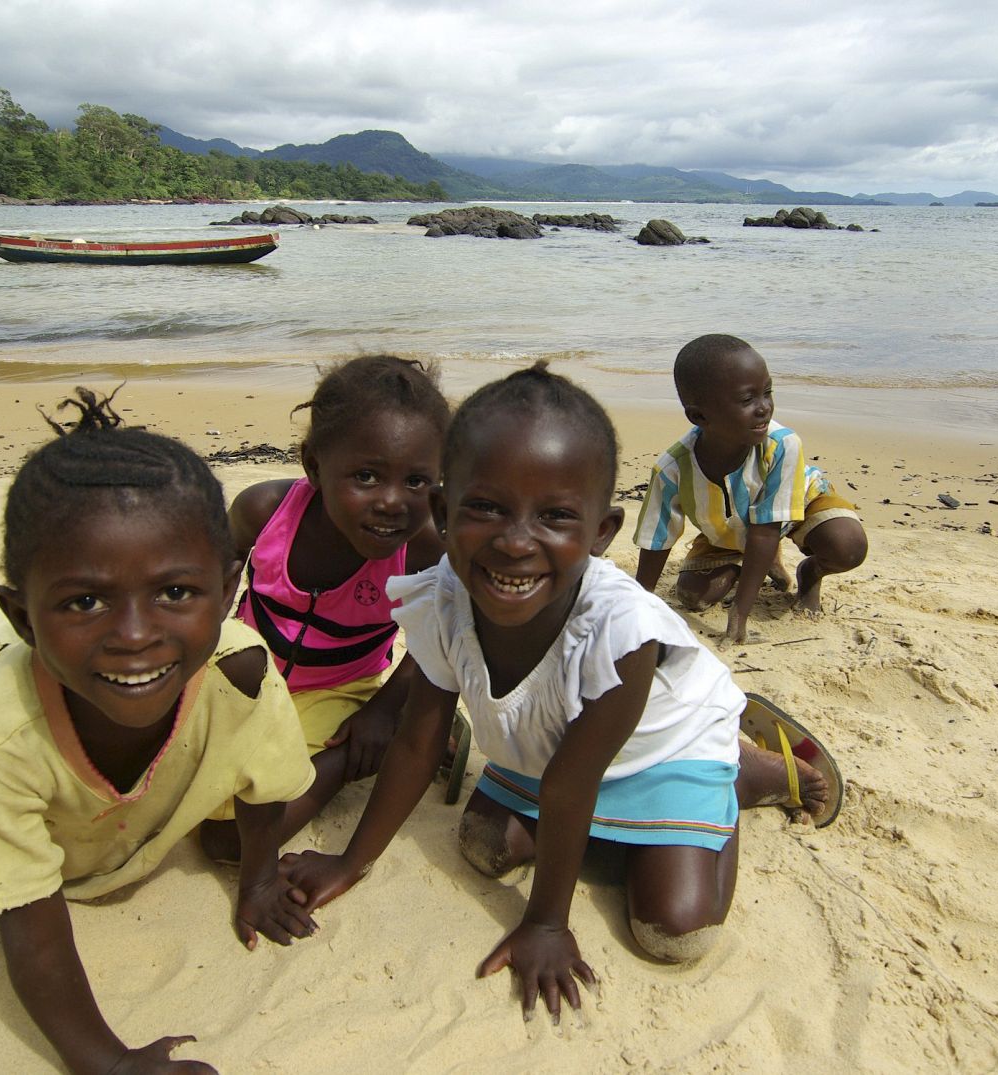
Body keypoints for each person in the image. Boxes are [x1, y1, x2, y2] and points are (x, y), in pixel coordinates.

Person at [283, 364, 842, 1022]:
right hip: (551, 755)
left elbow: (571, 785)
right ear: (442, 510)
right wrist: (353, 860)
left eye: (554, 516)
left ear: (601, 532)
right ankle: (635, 827)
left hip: (661, 748)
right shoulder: (442, 598)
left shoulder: (621, 632)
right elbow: (418, 738)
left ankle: (746, 772)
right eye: (486, 507)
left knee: (674, 932)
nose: (515, 540)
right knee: (483, 845)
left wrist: (547, 923)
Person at [0, 389, 318, 1075]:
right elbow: (27, 922)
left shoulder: (241, 673)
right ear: (21, 617)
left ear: (225, 589)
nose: (133, 634)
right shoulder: (1, 737)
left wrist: (258, 881)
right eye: (85, 601)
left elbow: (262, 787)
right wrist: (110, 1062)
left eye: (176, 593)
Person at [197, 355, 450, 862]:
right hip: (247, 676)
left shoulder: (422, 548)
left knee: (228, 842)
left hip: (340, 690)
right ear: (314, 464)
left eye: (417, 482)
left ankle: (362, 752)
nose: (392, 502)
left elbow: (436, 638)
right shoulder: (262, 513)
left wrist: (382, 710)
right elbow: (205, 601)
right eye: (366, 476)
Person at [632, 333, 868, 641]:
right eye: (747, 400)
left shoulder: (782, 445)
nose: (764, 408)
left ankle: (810, 574)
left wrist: (739, 615)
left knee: (846, 546)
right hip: (729, 532)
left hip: (793, 511)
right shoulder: (672, 469)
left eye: (767, 393)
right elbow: (656, 540)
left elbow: (767, 528)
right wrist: (639, 606)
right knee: (694, 597)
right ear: (699, 416)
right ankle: (752, 563)